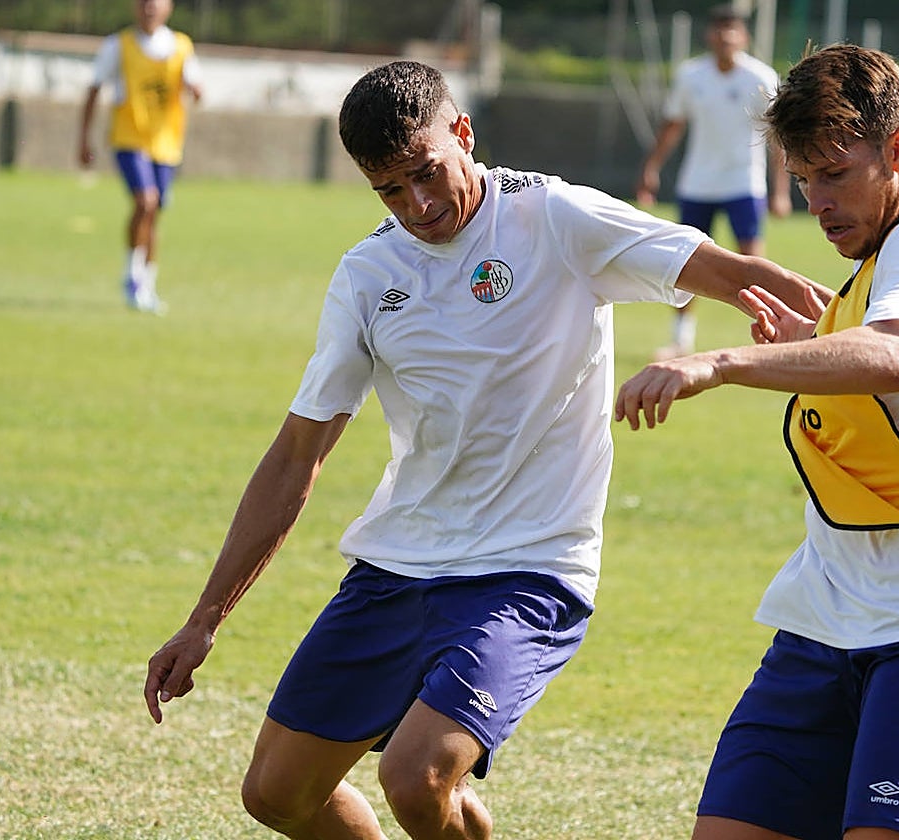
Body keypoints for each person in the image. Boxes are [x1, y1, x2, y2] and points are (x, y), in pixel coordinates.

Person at [143, 60, 826, 840]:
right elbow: (299, 453)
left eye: (426, 172)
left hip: (528, 568)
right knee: (276, 793)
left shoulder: (554, 217)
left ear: (463, 133)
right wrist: (205, 619)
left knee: (413, 773)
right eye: (390, 192)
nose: (419, 205)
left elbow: (723, 268)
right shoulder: (370, 276)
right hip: (399, 564)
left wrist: (817, 320)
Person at [616, 44, 899, 840]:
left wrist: (722, 362)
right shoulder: (877, 263)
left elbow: (896, 357)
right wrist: (817, 336)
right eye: (803, 178)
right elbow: (881, 362)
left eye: (834, 174)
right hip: (823, 620)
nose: (816, 202)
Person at [636, 3, 792, 360]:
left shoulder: (761, 78)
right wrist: (651, 168)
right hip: (698, 185)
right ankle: (681, 338)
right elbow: (673, 124)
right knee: (686, 262)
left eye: (732, 30)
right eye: (719, 29)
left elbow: (775, 140)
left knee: (754, 264)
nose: (725, 37)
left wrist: (781, 191)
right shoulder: (691, 76)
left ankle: (775, 334)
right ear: (709, 35)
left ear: (743, 37)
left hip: (744, 185)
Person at [78, 0, 202, 314]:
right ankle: (131, 276)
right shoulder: (118, 46)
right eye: (143, 3)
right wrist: (84, 139)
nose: (149, 8)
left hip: (167, 144)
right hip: (129, 139)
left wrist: (195, 90)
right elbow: (94, 89)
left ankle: (147, 283)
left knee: (154, 211)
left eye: (155, 3)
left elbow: (196, 86)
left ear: (168, 8)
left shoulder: (180, 46)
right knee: (145, 202)